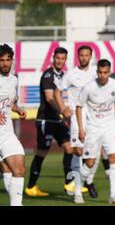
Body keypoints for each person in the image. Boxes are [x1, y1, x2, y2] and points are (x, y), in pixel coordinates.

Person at [25, 47, 74, 197]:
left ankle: (69, 184)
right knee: (42, 152)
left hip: (57, 120)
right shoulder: (48, 75)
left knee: (69, 148)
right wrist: (63, 110)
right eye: (57, 58)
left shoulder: (64, 75)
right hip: (46, 119)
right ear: (53, 58)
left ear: (66, 60)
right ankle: (31, 187)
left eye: (62, 58)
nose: (60, 61)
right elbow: (49, 98)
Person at [75, 59, 115, 205]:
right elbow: (78, 107)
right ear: (97, 72)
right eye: (100, 72)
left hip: (109, 128)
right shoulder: (88, 87)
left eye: (105, 72)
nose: (102, 75)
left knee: (114, 159)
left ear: (109, 72)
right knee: (89, 163)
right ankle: (78, 190)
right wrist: (81, 128)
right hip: (93, 129)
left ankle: (113, 195)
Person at [54, 46, 99, 197]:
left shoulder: (96, 73)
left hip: (94, 116)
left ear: (91, 56)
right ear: (78, 56)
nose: (84, 58)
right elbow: (57, 91)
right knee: (78, 151)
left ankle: (86, 180)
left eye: (87, 55)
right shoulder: (71, 74)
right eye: (81, 55)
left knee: (94, 154)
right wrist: (63, 108)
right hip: (76, 116)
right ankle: (77, 191)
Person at [0, 44, 27, 206]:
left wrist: (18, 109)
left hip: (6, 133)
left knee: (18, 169)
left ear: (12, 61)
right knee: (7, 170)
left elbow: (10, 103)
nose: (4, 63)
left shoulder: (14, 80)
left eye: (7, 60)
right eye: (1, 60)